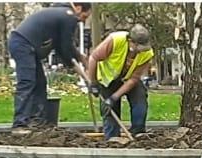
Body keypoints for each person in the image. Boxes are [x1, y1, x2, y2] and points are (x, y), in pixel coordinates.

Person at [8, 3, 92, 133]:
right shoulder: (68, 16)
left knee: (41, 83)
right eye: (84, 16)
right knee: (27, 82)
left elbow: (62, 45)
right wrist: (78, 68)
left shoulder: (59, 14)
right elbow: (65, 48)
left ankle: (38, 121)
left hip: (25, 44)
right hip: (23, 44)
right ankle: (19, 124)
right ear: (79, 8)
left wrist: (80, 57)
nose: (82, 20)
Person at [87, 24, 154, 140]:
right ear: (130, 41)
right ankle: (112, 138)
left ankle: (138, 132)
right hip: (108, 80)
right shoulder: (115, 40)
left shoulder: (147, 53)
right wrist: (93, 83)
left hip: (128, 79)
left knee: (140, 96)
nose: (139, 51)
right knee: (109, 110)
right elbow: (93, 58)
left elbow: (134, 79)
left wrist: (114, 98)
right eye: (137, 46)